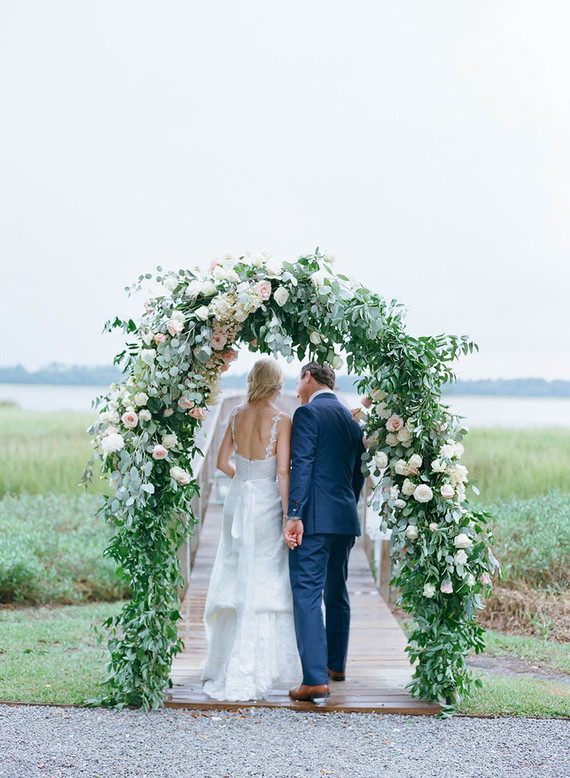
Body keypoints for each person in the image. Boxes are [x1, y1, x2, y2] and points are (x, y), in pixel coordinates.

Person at [202, 358, 301, 700]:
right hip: (266, 502)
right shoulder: (282, 420)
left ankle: (224, 661)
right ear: (278, 384)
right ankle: (260, 661)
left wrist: (244, 480)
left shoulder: (235, 415)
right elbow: (284, 472)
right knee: (266, 573)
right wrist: (291, 513)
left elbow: (220, 462)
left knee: (235, 569)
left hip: (238, 498)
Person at [284, 362, 366, 703]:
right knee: (337, 591)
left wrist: (294, 514)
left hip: (314, 520)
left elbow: (301, 463)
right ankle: (336, 665)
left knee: (305, 592)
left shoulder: (308, 413)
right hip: (344, 518)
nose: (296, 387)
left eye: (298, 380)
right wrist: (348, 503)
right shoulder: (350, 418)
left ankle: (315, 679)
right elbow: (359, 470)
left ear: (308, 377)